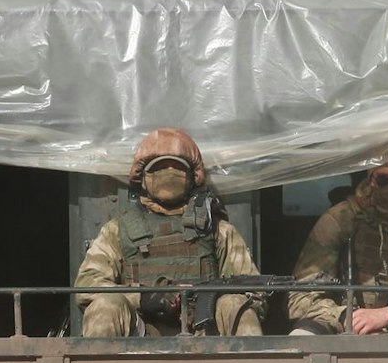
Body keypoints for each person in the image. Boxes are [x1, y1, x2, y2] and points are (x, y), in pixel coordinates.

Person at [75, 129, 263, 337]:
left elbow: (253, 290)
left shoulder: (218, 229)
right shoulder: (118, 230)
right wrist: (145, 298)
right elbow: (88, 285)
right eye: (160, 167)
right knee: (104, 307)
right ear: (143, 177)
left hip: (206, 334)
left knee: (238, 306)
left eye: (177, 167)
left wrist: (210, 297)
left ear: (194, 177)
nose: (169, 171)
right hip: (141, 332)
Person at [288, 149, 388, 335]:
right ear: (371, 180)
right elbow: (301, 297)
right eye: (384, 180)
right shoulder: (340, 220)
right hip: (348, 325)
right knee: (303, 335)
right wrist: (346, 316)